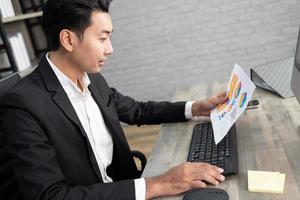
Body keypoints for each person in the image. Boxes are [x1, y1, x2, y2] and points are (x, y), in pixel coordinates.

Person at [0, 0, 227, 199]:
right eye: (102, 38)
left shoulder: (93, 80)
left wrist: (195, 107)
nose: (110, 49)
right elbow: (50, 195)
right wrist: (157, 184)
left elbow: (137, 110)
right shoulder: (23, 105)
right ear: (68, 40)